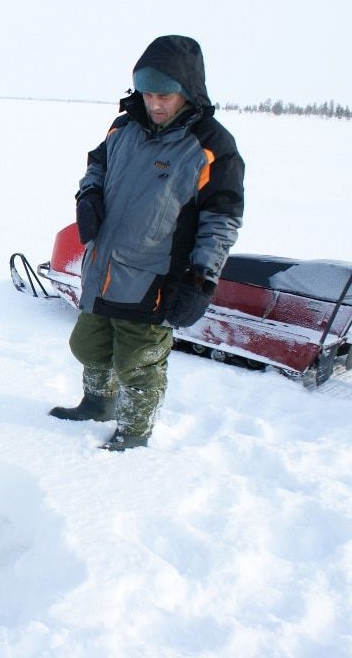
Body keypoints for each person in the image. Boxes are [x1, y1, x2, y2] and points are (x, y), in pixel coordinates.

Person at [49, 35, 244, 451]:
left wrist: (201, 278)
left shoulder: (213, 146)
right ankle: (97, 404)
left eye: (165, 95)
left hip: (154, 278)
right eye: (148, 93)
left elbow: (221, 220)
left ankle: (135, 431)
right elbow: (96, 164)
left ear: (188, 93)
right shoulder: (123, 126)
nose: (154, 103)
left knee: (137, 362)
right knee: (88, 345)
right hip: (102, 267)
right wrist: (89, 194)